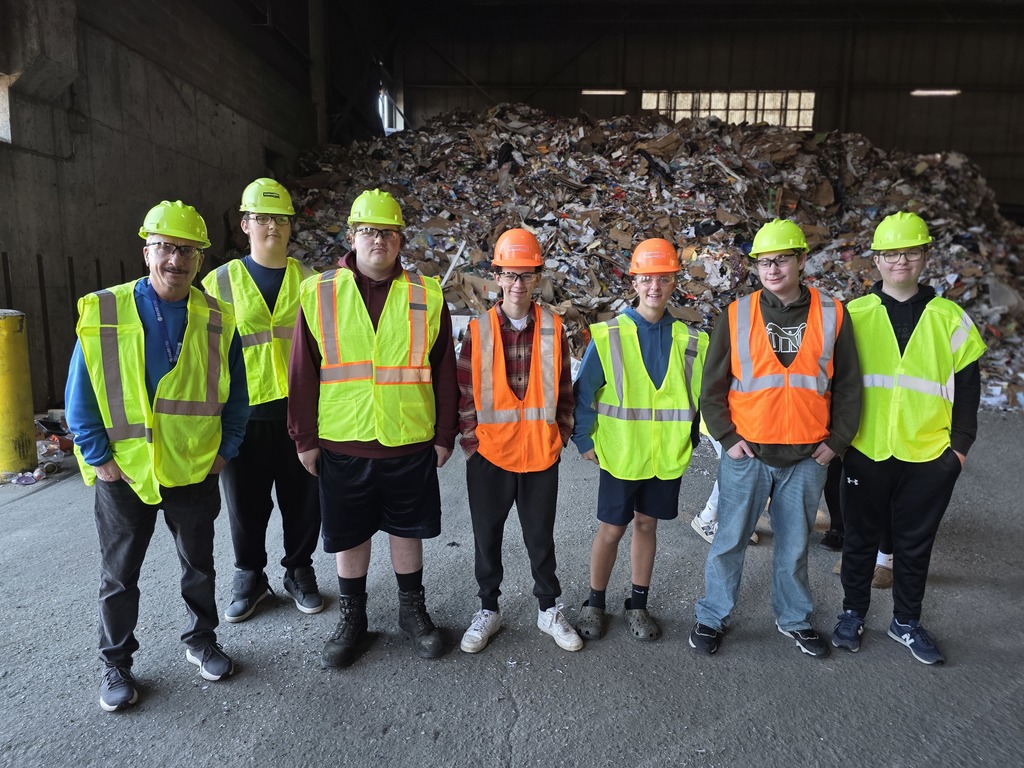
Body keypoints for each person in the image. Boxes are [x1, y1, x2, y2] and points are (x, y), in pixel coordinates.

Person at [66, 200, 249, 711]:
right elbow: (80, 391)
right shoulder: (106, 310)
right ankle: (117, 663)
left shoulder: (216, 317)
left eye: (187, 250)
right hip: (124, 471)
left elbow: (237, 393)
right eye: (166, 247)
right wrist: (97, 454)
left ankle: (201, 639)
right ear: (147, 250)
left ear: (200, 259)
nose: (176, 260)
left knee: (199, 564)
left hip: (192, 466)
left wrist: (226, 449)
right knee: (119, 575)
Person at [288, 188, 459, 668]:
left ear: (400, 239)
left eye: (386, 231)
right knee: (349, 535)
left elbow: (444, 368)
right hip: (344, 440)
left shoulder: (427, 294)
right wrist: (303, 436)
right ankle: (353, 619)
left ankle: (412, 611)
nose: (377, 240)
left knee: (408, 531)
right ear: (352, 236)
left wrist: (445, 433)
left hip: (408, 438)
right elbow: (302, 370)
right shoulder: (320, 291)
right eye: (368, 231)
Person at [689, 219, 862, 658]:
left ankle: (794, 618)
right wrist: (727, 439)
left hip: (807, 457)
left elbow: (848, 387)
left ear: (802, 260)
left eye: (781, 259)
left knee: (794, 544)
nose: (772, 269)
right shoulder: (737, 314)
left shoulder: (833, 313)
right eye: (764, 262)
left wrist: (836, 442)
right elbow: (710, 388)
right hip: (748, 453)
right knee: (729, 540)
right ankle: (712, 616)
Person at [831, 212, 984, 664]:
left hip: (929, 453)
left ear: (925, 256)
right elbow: (834, 385)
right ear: (875, 260)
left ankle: (906, 622)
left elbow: (969, 390)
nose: (901, 260)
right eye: (891, 253)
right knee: (859, 539)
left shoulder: (950, 319)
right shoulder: (853, 316)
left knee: (915, 544)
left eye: (911, 251)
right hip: (865, 450)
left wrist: (958, 450)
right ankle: (852, 613)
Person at [572, 238, 708, 642]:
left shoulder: (690, 340)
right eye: (646, 278)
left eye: (663, 279)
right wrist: (583, 438)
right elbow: (585, 392)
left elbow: (698, 397)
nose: (654, 287)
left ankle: (638, 604)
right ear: (634, 281)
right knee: (612, 529)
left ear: (673, 282)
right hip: (621, 454)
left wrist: (690, 439)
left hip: (665, 457)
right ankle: (594, 603)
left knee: (647, 526)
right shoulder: (610, 335)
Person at [202, 178, 322, 623]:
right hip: (243, 414)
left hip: (299, 410)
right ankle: (250, 575)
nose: (272, 226)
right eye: (263, 218)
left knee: (303, 499)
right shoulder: (218, 281)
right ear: (245, 224)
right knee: (245, 503)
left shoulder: (310, 282)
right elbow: (204, 353)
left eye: (281, 219)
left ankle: (299, 570)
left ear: (291, 227)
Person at [455, 229, 581, 653]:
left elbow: (565, 391)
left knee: (540, 537)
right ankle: (488, 608)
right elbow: (464, 393)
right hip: (490, 453)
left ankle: (548, 609)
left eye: (526, 275)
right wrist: (472, 443)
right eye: (510, 274)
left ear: (538, 278)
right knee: (486, 535)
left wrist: (559, 435)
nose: (518, 284)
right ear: (497, 277)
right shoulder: (478, 331)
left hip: (541, 454)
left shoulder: (554, 329)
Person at [689, 431, 759, 546]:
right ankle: (707, 519)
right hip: (725, 426)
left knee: (740, 469)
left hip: (742, 427)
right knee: (736, 469)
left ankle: (732, 522)